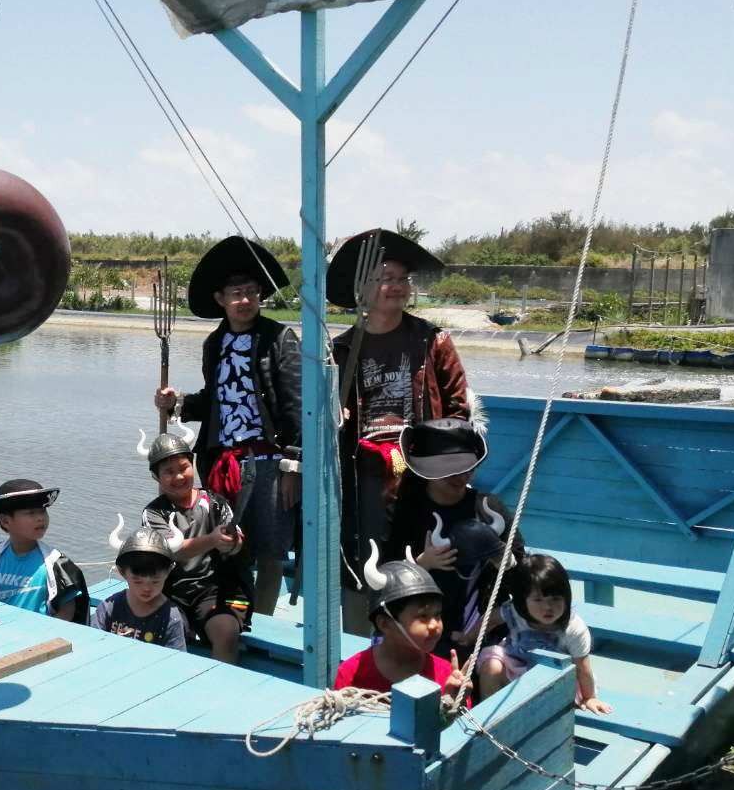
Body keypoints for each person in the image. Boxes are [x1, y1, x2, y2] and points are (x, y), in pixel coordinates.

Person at [327, 229, 470, 631]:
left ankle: (427, 639)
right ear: (362, 288)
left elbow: (458, 409)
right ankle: (361, 642)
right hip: (363, 477)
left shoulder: (432, 340)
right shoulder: (341, 349)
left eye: (402, 278)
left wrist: (446, 467)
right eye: (385, 278)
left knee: (428, 557)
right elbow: (323, 417)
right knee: (362, 562)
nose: (397, 287)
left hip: (421, 472)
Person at [153, 236, 300, 616]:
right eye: (237, 294)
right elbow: (217, 400)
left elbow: (295, 405)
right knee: (227, 543)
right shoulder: (214, 343)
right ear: (221, 299)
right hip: (223, 462)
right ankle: (231, 617)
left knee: (270, 549)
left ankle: (262, 620)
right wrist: (177, 403)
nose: (245, 300)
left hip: (270, 462)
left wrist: (293, 467)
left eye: (252, 292)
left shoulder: (280, 338)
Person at [383, 419, 522, 658]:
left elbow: (522, 569)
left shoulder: (489, 507)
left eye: (467, 469)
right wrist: (420, 565)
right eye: (450, 472)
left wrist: (499, 558)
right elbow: (385, 576)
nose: (461, 477)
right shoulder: (403, 513)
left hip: (483, 630)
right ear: (427, 473)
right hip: (421, 632)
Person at [141, 433, 248, 664]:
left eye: (184, 468)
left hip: (213, 591)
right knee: (164, 631)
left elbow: (236, 545)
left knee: (227, 632)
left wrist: (232, 543)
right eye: (169, 472)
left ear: (193, 465)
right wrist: (212, 540)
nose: (179, 476)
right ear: (156, 476)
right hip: (168, 592)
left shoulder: (216, 502)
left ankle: (221, 681)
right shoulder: (153, 513)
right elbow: (173, 550)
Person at [476, 554, 612, 713]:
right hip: (516, 667)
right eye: (538, 600)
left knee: (555, 695)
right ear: (523, 601)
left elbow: (583, 667)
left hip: (554, 677)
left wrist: (590, 697)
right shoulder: (515, 612)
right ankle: (488, 714)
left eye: (555, 599)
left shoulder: (574, 628)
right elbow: (490, 620)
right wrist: (468, 637)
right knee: (491, 666)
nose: (547, 607)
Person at [333, 546, 467, 703]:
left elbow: (461, 716)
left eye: (437, 615)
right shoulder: (351, 674)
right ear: (384, 624)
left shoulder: (446, 675)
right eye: (422, 617)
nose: (434, 625)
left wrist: (454, 700)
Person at [0, 478, 88, 623]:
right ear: (5, 521)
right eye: (31, 513)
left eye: (43, 511)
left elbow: (67, 611)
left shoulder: (56, 565)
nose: (40, 518)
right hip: (0, 631)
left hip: (39, 633)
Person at [91, 527, 188, 651]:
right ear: (122, 572)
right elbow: (93, 644)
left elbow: (175, 657)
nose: (146, 588)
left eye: (155, 581)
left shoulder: (171, 618)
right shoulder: (109, 608)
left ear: (169, 571)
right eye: (137, 581)